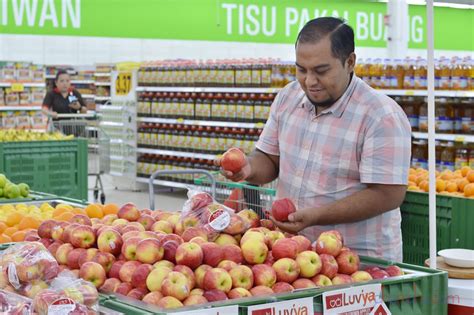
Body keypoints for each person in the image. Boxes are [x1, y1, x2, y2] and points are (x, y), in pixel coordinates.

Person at [216, 17, 411, 262]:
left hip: (359, 262)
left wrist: (317, 216)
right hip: (293, 255)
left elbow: (387, 194)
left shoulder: (380, 115)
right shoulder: (288, 98)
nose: (309, 81)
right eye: (301, 69)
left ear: (350, 62)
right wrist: (248, 168)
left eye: (321, 71)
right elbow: (269, 159)